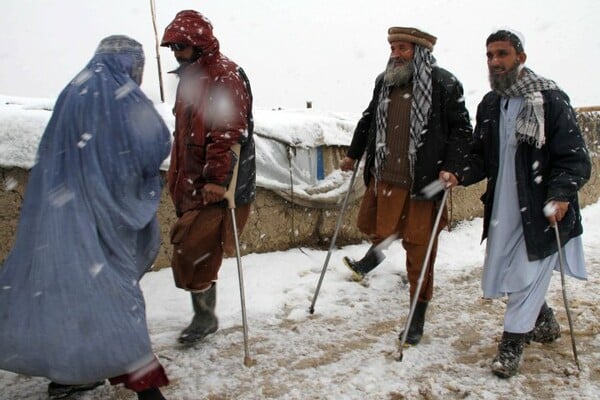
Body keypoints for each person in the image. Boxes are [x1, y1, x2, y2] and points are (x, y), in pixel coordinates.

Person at [0, 36, 171, 399]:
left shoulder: (72, 92)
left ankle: (71, 373)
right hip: (99, 216)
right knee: (115, 296)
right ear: (129, 64)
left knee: (68, 292)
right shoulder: (120, 95)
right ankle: (146, 385)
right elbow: (155, 140)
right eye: (137, 67)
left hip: (57, 217)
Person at [456, 29, 591, 378]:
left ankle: (512, 344)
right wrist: (458, 173)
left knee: (527, 272)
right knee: (506, 273)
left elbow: (574, 159)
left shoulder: (550, 100)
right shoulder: (489, 103)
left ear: (521, 58)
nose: (495, 62)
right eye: (490, 55)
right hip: (503, 208)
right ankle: (543, 322)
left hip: (543, 209)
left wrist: (560, 194)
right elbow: (482, 156)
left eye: (502, 54)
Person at [340, 27, 472, 345]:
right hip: (385, 179)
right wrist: (353, 153)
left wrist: (453, 168)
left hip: (423, 185)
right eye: (392, 47)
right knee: (372, 225)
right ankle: (375, 256)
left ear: (420, 51)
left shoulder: (444, 83)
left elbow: (462, 130)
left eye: (403, 48)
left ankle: (416, 314)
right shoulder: (383, 81)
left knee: (419, 251)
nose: (395, 54)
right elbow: (369, 119)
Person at [160, 10, 255, 345]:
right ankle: (204, 317)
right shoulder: (191, 78)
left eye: (181, 47)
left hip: (215, 184)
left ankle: (204, 318)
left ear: (198, 44)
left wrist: (216, 179)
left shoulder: (223, 76)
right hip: (190, 180)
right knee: (196, 251)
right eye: (173, 48)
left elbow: (227, 132)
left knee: (193, 250)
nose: (176, 54)